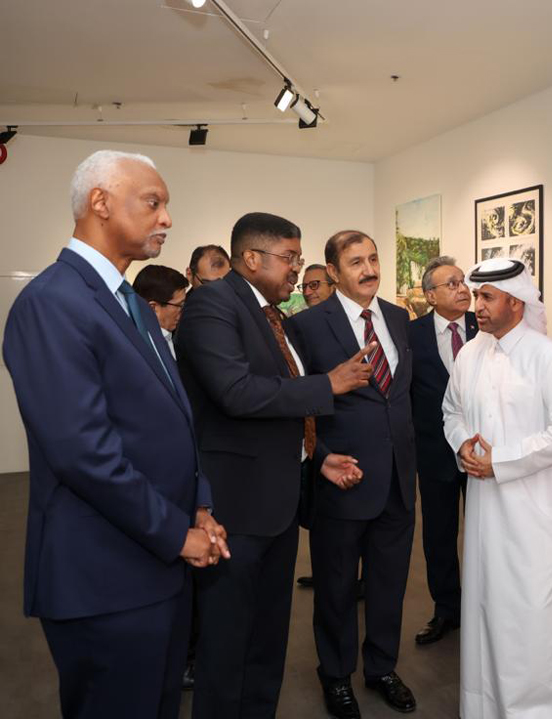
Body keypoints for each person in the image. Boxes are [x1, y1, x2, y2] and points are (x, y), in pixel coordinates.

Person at [2, 149, 229, 719]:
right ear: (100, 203)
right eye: (153, 203)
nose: (167, 219)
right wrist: (177, 534)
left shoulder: (130, 302)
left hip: (157, 568)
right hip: (104, 579)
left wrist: (199, 505)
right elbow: (85, 455)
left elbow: (175, 418)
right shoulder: (52, 302)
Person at [175, 213, 371, 719]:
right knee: (228, 646)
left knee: (266, 642)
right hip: (235, 512)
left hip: (279, 505)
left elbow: (283, 412)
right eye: (290, 257)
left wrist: (319, 457)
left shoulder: (271, 315)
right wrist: (328, 384)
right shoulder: (212, 304)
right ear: (252, 258)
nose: (296, 269)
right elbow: (236, 393)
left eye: (299, 258)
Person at [442, 257, 552, 719]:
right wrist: (463, 442)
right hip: (486, 514)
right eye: (475, 295)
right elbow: (452, 410)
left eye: (486, 297)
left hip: (536, 515)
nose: (475, 305)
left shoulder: (550, 357)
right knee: (486, 610)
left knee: (534, 618)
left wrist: (497, 461)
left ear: (516, 303)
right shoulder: (469, 354)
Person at [285, 230, 417, 718]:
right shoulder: (307, 326)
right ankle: (335, 675)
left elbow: (401, 397)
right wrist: (321, 460)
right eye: (356, 261)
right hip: (342, 479)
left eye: (374, 258)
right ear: (334, 272)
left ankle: (382, 667)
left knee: (389, 585)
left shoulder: (400, 318)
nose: (369, 268)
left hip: (399, 480)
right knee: (337, 589)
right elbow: (296, 405)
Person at [407, 256, 477, 645]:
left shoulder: (483, 327)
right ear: (430, 295)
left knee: (486, 532)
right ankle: (447, 610)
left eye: (463, 281)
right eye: (451, 284)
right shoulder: (410, 334)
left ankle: (488, 606)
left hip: (482, 452)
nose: (462, 289)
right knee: (439, 535)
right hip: (434, 452)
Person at [133, 264, 188, 359]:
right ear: (153, 308)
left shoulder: (174, 336)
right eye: (179, 305)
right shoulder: (140, 350)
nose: (182, 310)